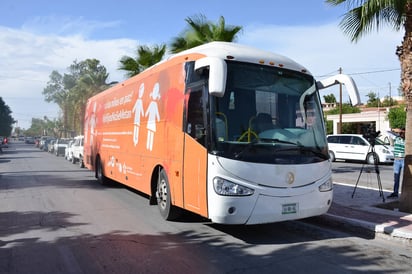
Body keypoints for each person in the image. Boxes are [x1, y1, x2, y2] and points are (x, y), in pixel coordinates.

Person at [388, 129, 405, 198]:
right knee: (396, 178)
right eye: (401, 133)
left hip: (404, 160)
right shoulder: (396, 138)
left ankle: (405, 193)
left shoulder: (407, 140)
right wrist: (395, 130)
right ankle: (395, 193)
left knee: (405, 178)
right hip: (396, 160)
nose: (401, 134)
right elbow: (388, 132)